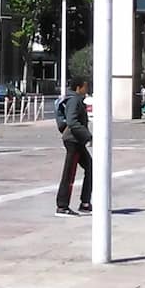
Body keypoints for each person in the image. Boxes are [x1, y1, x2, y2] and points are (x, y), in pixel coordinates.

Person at [55, 77, 93, 216]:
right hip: (73, 140)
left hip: (77, 140)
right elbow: (72, 121)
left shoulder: (76, 99)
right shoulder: (74, 100)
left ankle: (85, 202)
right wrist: (87, 135)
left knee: (90, 167)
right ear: (78, 87)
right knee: (69, 173)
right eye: (85, 86)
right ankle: (62, 206)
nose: (87, 89)